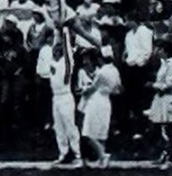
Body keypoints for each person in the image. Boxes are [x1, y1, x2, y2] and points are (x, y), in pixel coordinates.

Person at [81, 49, 122, 168]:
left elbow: (92, 89)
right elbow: (117, 89)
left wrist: (84, 91)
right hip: (106, 101)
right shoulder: (115, 70)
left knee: (88, 133)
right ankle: (101, 160)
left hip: (96, 101)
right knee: (101, 133)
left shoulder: (101, 72)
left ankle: (103, 155)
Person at [149, 41, 172, 169]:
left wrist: (154, 86)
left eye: (159, 49)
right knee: (164, 128)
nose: (157, 51)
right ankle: (168, 153)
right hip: (162, 99)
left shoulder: (171, 65)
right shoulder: (164, 64)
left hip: (169, 99)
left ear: (164, 50)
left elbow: (170, 84)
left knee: (169, 127)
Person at [48, 39, 82, 167]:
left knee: (70, 126)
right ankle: (63, 153)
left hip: (65, 96)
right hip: (55, 97)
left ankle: (77, 154)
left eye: (57, 50)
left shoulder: (66, 63)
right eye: (54, 50)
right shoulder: (52, 62)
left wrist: (64, 35)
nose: (55, 52)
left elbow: (68, 54)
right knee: (58, 127)